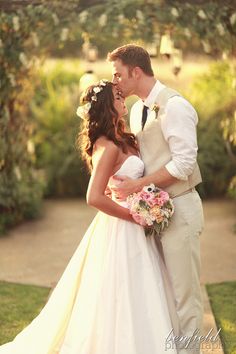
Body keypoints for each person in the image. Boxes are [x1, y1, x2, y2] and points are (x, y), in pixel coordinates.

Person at [0, 80, 179, 354]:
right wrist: (134, 216)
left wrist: (147, 204)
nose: (124, 101)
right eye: (118, 98)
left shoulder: (125, 138)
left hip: (136, 224)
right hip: (121, 227)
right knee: (119, 290)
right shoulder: (107, 147)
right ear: (107, 105)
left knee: (145, 288)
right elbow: (94, 197)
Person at [107, 44, 204, 354]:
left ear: (136, 72)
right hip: (153, 214)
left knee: (185, 298)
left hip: (182, 209)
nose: (115, 81)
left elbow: (184, 164)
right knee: (162, 294)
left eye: (118, 74)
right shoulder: (137, 110)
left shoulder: (175, 106)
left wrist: (138, 185)